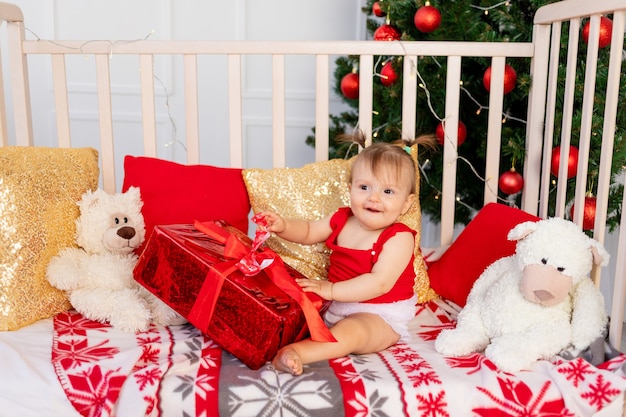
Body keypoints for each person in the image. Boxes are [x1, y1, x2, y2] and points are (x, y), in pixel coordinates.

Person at [257, 140, 421, 376]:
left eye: (388, 191)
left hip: (381, 313)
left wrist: (331, 290)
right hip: (336, 302)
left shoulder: (399, 237)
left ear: (407, 203)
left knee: (352, 333)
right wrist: (283, 226)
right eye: (364, 187)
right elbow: (308, 231)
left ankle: (296, 353)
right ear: (350, 188)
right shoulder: (342, 219)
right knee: (291, 308)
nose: (373, 198)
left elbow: (379, 283)